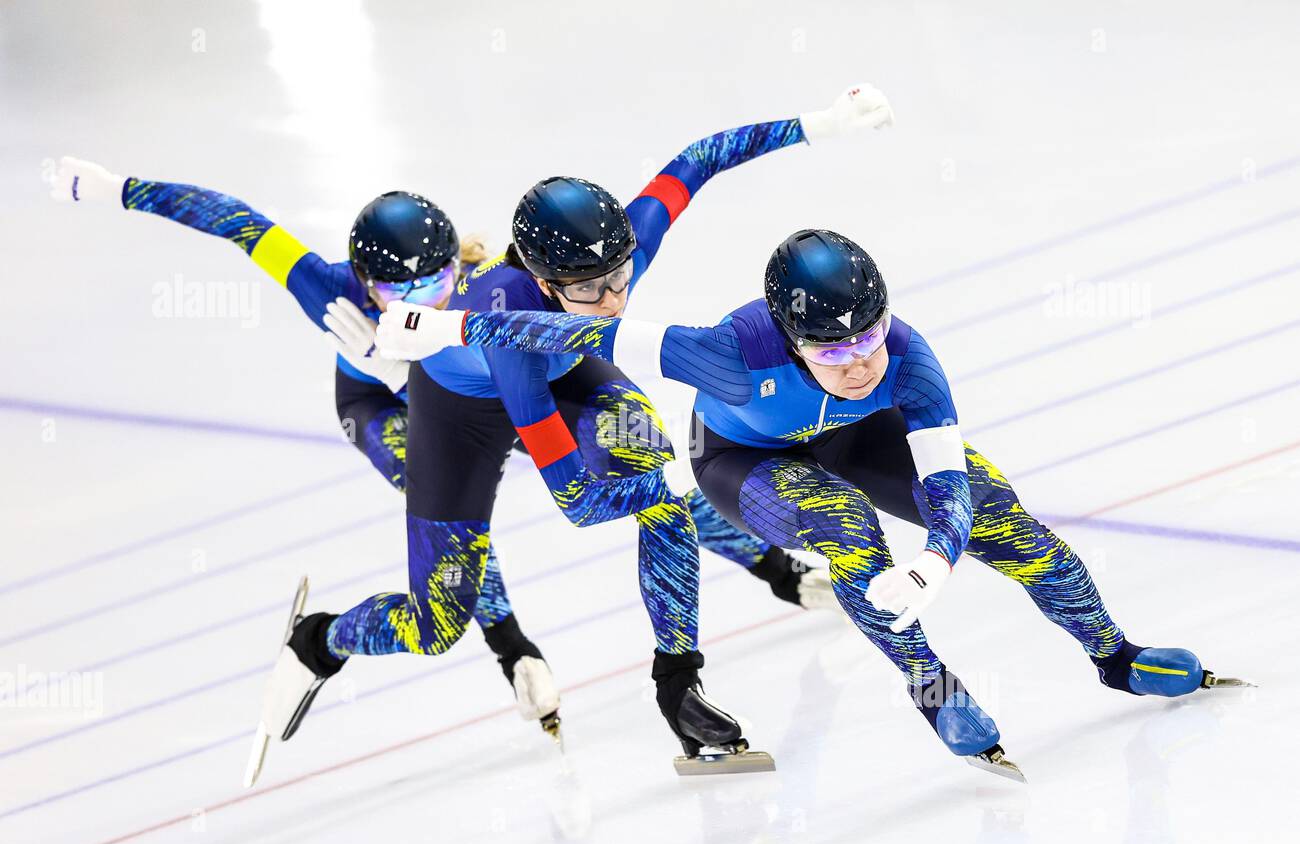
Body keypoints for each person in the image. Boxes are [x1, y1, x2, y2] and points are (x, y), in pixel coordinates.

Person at [381, 227, 1253, 781]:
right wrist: (444, 327)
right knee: (849, 533)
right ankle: (931, 684)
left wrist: (939, 558)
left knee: (1006, 523)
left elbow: (949, 484)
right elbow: (569, 330)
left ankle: (1114, 653)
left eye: (870, 334)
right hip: (744, 458)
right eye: (832, 349)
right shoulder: (723, 354)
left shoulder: (909, 362)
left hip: (860, 441)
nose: (858, 360)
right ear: (790, 341)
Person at [255, 85, 898, 781]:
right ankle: (319, 642)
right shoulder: (504, 320)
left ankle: (680, 689)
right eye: (590, 290)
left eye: (621, 276)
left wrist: (819, 124)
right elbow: (579, 502)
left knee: (650, 468)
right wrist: (673, 481)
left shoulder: (614, 261)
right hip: (460, 410)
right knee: (438, 622)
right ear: (541, 279)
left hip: (568, 365)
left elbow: (701, 159)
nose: (615, 300)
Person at [49, 162, 566, 739]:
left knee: (479, 493)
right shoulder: (325, 283)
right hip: (373, 403)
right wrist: (118, 190)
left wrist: (408, 368)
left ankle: (513, 647)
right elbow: (237, 223)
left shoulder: (482, 286)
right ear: (364, 281)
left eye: (437, 281)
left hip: (437, 392)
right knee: (448, 506)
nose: (421, 299)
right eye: (400, 290)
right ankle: (500, 646)